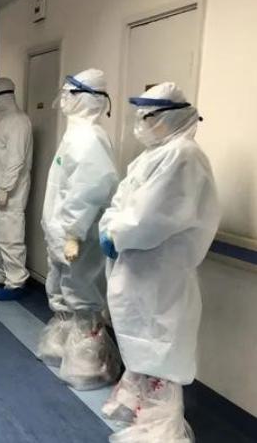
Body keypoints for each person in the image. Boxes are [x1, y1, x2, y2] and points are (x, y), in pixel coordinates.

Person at [99, 83, 219, 442]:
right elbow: (121, 201)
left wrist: (117, 233)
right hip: (140, 269)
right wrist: (111, 227)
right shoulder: (153, 155)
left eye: (148, 116)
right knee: (143, 342)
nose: (141, 123)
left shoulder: (183, 156)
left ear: (170, 118)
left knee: (160, 346)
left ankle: (165, 431)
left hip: (161, 272)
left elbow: (150, 218)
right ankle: (144, 418)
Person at [37, 69, 121, 390]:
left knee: (81, 290)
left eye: (69, 93)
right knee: (61, 285)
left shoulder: (90, 138)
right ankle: (64, 345)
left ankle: (90, 362)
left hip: (78, 236)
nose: (63, 99)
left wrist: (73, 233)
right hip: (62, 232)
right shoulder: (75, 134)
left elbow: (90, 190)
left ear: (86, 98)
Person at [0, 78, 33, 301]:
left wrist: (5, 188)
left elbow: (16, 160)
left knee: (10, 236)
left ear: (4, 96)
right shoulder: (3, 120)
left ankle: (16, 281)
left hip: (10, 194)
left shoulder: (19, 121)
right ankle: (0, 273)